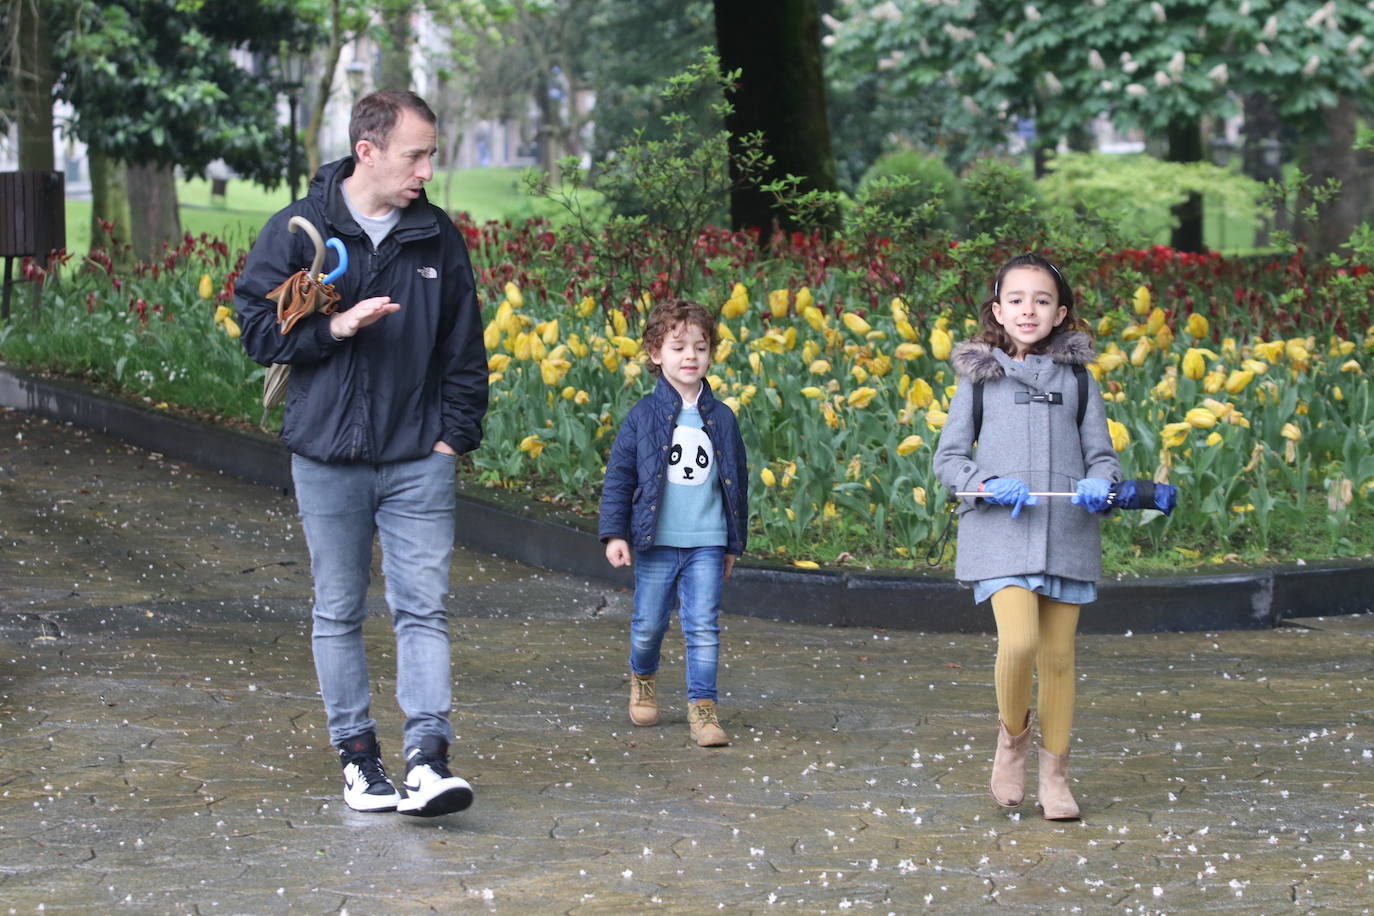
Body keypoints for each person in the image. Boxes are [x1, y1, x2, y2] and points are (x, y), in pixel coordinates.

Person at [236, 90, 488, 817]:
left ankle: (428, 761)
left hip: (419, 458)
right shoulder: (299, 229)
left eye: (432, 153)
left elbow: (464, 349)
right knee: (339, 610)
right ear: (368, 151)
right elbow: (257, 332)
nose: (427, 170)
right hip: (326, 455)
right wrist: (333, 328)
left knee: (423, 609)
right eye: (416, 154)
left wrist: (451, 439)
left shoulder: (436, 234)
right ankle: (359, 761)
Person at [932, 253, 1121, 820]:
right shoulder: (979, 377)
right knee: (1018, 646)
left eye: (1042, 300)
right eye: (1016, 300)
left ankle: (1056, 774)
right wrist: (985, 484)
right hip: (1000, 535)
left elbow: (1104, 458)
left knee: (1058, 657)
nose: (1028, 310)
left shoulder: (1079, 379)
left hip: (1067, 532)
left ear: (1061, 312)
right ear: (997, 309)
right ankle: (1011, 741)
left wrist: (1100, 484)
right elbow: (949, 458)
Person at [598, 299, 749, 747]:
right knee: (649, 623)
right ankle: (642, 675)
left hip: (706, 540)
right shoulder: (643, 416)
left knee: (703, 624)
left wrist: (731, 546)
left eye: (700, 348)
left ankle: (703, 708)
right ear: (655, 354)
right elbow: (619, 478)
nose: (690, 356)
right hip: (656, 541)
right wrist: (615, 533)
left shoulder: (722, 419)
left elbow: (736, 486)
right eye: (678, 346)